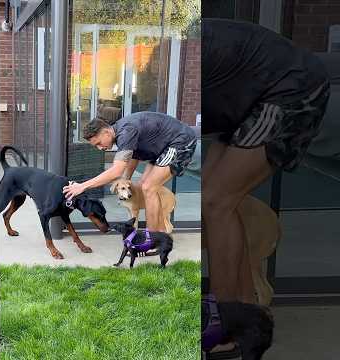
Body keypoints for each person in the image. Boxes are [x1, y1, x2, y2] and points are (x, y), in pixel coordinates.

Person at [202, 17, 330, 357]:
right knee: (213, 200)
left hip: (290, 88)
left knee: (218, 201)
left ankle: (227, 326)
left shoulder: (185, 57)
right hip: (247, 100)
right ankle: (248, 312)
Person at [63, 111, 196, 231]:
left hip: (180, 141)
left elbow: (116, 171)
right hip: (161, 148)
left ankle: (155, 239)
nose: (99, 148)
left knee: (149, 188)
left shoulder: (126, 132)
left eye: (98, 143)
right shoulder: (121, 132)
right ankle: (159, 232)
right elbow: (132, 157)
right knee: (143, 185)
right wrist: (125, 179)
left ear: (106, 132)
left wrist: (82, 186)